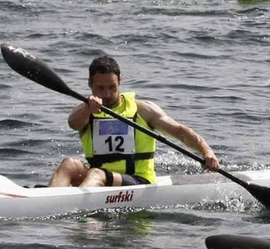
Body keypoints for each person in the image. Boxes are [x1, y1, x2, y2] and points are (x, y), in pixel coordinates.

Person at [50, 55, 220, 188]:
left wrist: (206, 151)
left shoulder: (143, 110)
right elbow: (73, 123)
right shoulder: (85, 111)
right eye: (100, 88)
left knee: (97, 174)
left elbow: (180, 132)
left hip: (139, 182)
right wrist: (88, 108)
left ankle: (74, 203)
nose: (107, 94)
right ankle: (50, 200)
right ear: (90, 84)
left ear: (120, 82)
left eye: (112, 87)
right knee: (69, 164)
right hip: (99, 179)